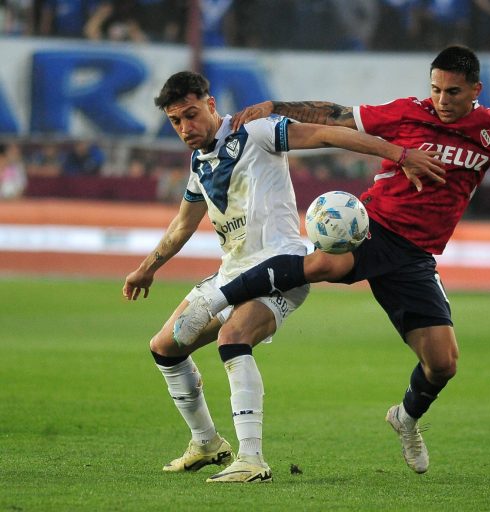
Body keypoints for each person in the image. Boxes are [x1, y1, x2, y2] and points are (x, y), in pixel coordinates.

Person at [173, 45, 490, 475]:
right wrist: (275, 105)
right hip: (374, 226)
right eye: (435, 89)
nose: (440, 100)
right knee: (325, 264)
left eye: (451, 92)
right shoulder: (406, 112)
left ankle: (406, 419)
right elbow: (336, 115)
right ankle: (217, 296)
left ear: (474, 89)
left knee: (443, 364)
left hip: (415, 257)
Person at [122, 71, 443, 484]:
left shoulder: (255, 131)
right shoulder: (199, 162)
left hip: (281, 269)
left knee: (232, 337)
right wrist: (147, 268)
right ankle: (205, 442)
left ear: (211, 104)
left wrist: (399, 155)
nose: (185, 128)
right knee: (165, 348)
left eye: (191, 114)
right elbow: (183, 225)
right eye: (175, 121)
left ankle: (252, 460)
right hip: (231, 273)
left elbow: (327, 135)